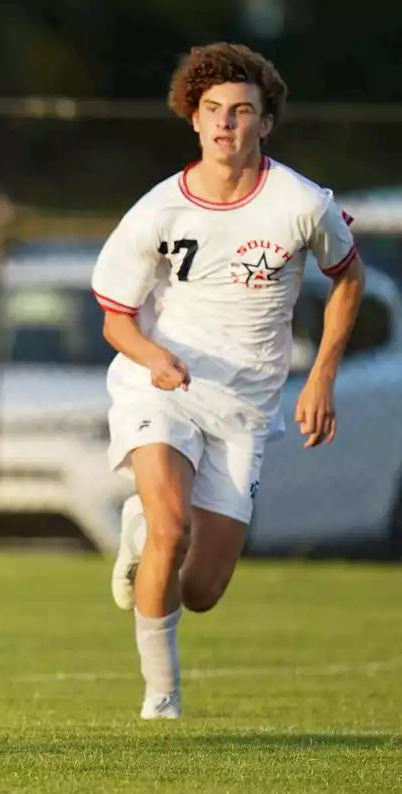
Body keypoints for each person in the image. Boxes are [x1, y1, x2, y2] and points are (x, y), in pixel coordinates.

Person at [91, 42, 364, 719]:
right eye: (212, 110)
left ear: (265, 123)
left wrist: (321, 374)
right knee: (172, 526)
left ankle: (141, 534)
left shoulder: (300, 203)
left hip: (245, 404)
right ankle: (162, 695)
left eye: (241, 111)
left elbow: (348, 278)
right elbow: (115, 318)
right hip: (161, 385)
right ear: (193, 119)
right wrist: (152, 357)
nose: (225, 123)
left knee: (205, 586)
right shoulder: (158, 210)